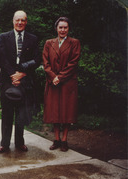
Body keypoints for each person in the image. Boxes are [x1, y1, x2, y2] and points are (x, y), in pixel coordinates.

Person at [0, 10, 41, 153]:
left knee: (21, 114)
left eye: (23, 20)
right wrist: (12, 75)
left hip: (25, 81)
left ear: (26, 22)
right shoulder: (4, 37)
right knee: (7, 114)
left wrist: (22, 73)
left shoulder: (33, 39)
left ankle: (19, 142)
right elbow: (1, 57)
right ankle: (4, 143)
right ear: (13, 21)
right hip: (7, 81)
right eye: (17, 20)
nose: (20, 23)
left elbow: (37, 60)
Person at [42, 17, 81, 152]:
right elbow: (45, 62)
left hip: (67, 82)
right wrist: (53, 77)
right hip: (52, 82)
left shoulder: (74, 43)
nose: (63, 30)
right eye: (60, 27)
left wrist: (60, 77)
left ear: (68, 29)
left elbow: (73, 63)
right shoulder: (49, 43)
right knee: (54, 111)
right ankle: (56, 139)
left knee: (66, 112)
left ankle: (64, 140)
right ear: (56, 28)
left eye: (65, 27)